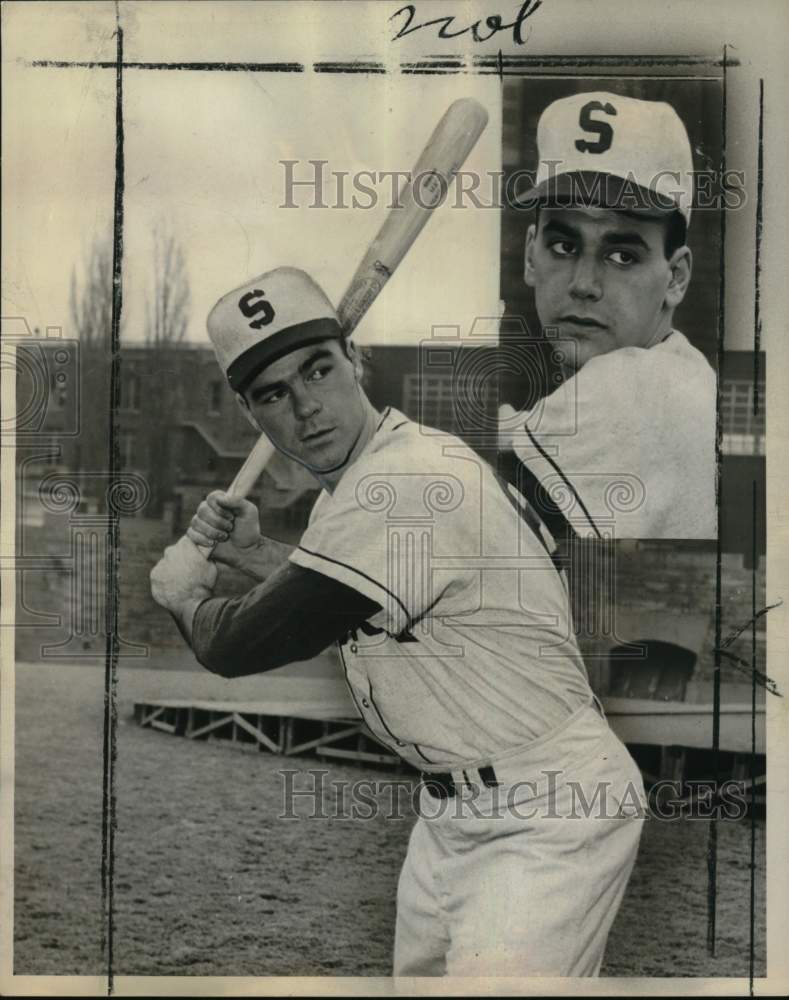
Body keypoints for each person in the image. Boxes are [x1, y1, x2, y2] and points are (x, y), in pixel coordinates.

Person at [150, 265, 647, 977]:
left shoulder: (403, 481)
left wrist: (184, 596)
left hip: (548, 812)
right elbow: (373, 603)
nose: (306, 408)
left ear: (356, 361)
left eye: (319, 370)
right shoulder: (365, 486)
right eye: (275, 394)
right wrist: (257, 554)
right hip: (452, 814)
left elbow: (239, 644)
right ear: (252, 415)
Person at [499, 91, 716, 540]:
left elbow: (461, 526)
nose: (584, 283)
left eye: (621, 256)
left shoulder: (639, 386)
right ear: (530, 254)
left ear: (676, 277)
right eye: (564, 246)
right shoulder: (684, 375)